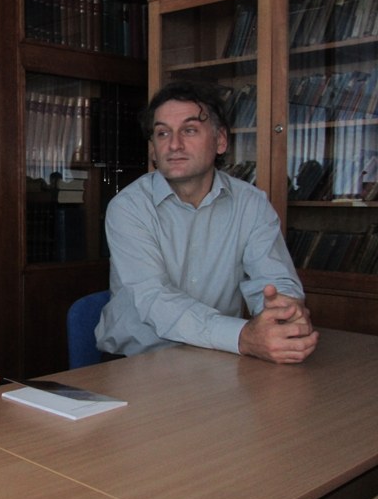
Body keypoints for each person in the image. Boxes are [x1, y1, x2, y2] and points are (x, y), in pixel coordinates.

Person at [94, 81, 319, 364]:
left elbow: (274, 281)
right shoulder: (128, 208)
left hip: (216, 356)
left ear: (220, 140)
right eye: (162, 133)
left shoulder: (251, 203)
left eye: (189, 130)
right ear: (153, 149)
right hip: (135, 362)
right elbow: (154, 299)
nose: (174, 145)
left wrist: (284, 315)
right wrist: (242, 336)